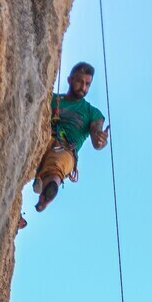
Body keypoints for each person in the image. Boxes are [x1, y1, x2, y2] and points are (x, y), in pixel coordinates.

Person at [33, 61, 109, 212]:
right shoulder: (52, 99)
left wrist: (101, 140)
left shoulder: (92, 113)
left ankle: (44, 197)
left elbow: (96, 138)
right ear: (70, 80)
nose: (83, 87)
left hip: (66, 149)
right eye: (80, 81)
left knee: (56, 169)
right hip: (44, 136)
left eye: (87, 84)